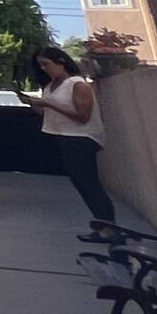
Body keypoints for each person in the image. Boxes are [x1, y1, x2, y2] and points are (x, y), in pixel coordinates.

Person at [29, 45, 116, 228]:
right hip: (64, 135)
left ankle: (109, 227)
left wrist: (49, 103)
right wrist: (35, 104)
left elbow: (83, 115)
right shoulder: (51, 86)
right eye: (41, 66)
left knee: (89, 182)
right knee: (80, 182)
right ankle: (102, 226)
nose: (44, 69)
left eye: (46, 64)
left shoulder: (77, 84)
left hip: (81, 137)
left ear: (60, 62)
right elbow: (48, 113)